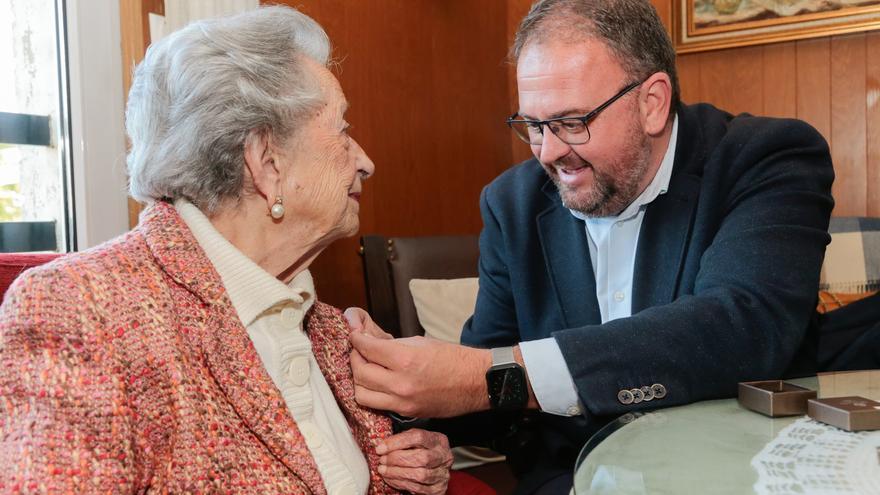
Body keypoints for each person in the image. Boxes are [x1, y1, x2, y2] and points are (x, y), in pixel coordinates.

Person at [346, 0, 834, 492]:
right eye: (533, 126)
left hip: (733, 477)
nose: (549, 152)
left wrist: (483, 377)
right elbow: (487, 393)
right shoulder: (511, 204)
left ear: (652, 102)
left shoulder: (765, 160)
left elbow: (741, 327)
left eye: (572, 122)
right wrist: (407, 396)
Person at [0, 6, 453, 494]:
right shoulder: (80, 310)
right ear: (265, 162)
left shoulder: (325, 328)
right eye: (342, 131)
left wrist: (408, 471)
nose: (366, 161)